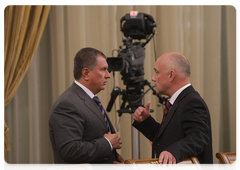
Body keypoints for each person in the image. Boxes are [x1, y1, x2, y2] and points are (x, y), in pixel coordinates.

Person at [49, 47, 127, 170]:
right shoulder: (67, 104)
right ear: (86, 73)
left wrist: (117, 163)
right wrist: (107, 144)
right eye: (103, 70)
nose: (108, 76)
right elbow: (70, 150)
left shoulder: (90, 100)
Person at [132, 52, 213, 170]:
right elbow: (166, 138)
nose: (153, 78)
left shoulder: (192, 102)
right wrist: (146, 121)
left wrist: (173, 152)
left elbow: (199, 137)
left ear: (171, 75)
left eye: (157, 72)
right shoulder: (178, 101)